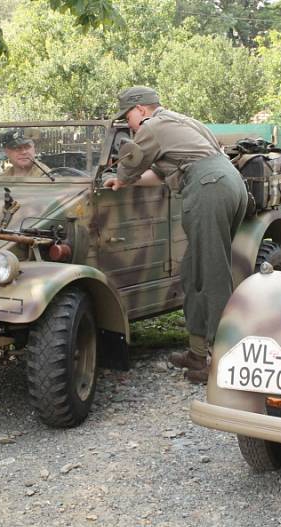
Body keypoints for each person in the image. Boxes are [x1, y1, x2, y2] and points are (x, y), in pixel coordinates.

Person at [103, 86, 248, 383]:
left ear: (141, 109)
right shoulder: (179, 121)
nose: (127, 124)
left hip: (208, 187)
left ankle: (220, 361)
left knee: (211, 273)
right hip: (225, 182)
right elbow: (159, 173)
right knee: (194, 270)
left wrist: (118, 177)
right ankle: (197, 351)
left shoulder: (151, 127)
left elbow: (130, 164)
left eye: (127, 116)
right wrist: (124, 184)